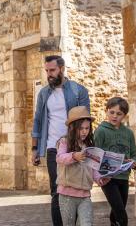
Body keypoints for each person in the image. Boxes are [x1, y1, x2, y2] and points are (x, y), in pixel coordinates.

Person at [32, 55, 91, 226]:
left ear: (62, 69)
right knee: (57, 191)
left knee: (78, 189)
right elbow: (38, 120)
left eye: (52, 70)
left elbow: (85, 120)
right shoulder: (43, 93)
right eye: (47, 71)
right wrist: (34, 148)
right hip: (53, 148)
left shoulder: (78, 90)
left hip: (75, 147)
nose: (49, 74)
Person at [56, 106, 107, 226]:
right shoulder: (64, 142)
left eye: (87, 128)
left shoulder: (88, 146)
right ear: (73, 128)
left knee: (87, 224)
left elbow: (92, 167)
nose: (85, 131)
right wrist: (74, 156)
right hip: (67, 195)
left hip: (85, 196)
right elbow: (59, 158)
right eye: (81, 128)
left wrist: (99, 178)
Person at [93, 97, 136, 226]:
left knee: (117, 210)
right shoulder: (101, 131)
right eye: (111, 112)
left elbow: (134, 154)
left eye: (119, 114)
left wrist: (134, 162)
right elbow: (95, 154)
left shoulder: (129, 133)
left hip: (124, 177)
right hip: (108, 178)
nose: (114, 116)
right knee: (121, 214)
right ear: (106, 111)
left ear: (124, 115)